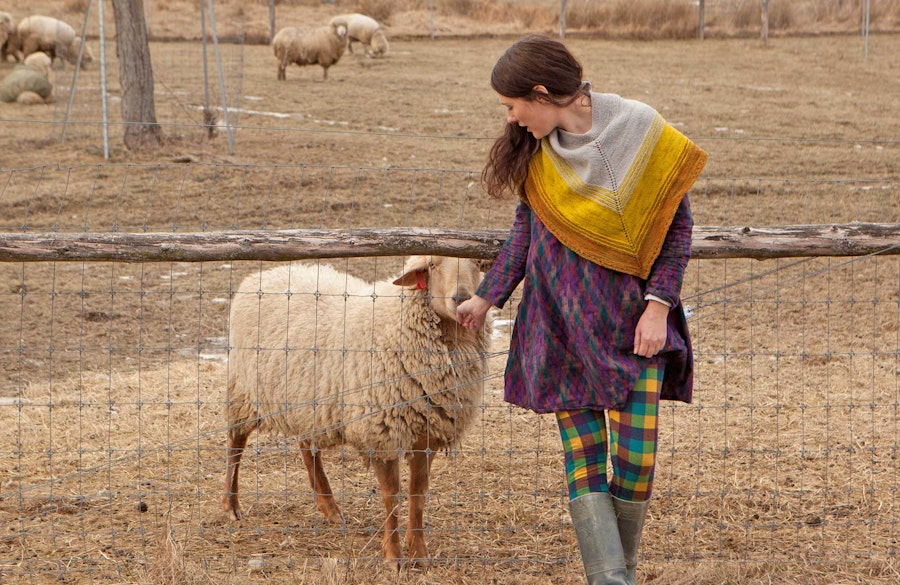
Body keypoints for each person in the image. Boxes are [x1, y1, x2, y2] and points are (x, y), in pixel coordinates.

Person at [456, 35, 707, 585]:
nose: (512, 119)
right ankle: (611, 579)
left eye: (512, 105)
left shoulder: (641, 129)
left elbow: (677, 227)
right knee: (586, 458)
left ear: (542, 93)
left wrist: (658, 305)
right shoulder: (537, 157)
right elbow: (525, 232)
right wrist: (487, 294)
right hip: (558, 323)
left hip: (631, 323)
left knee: (637, 460)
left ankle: (622, 569)